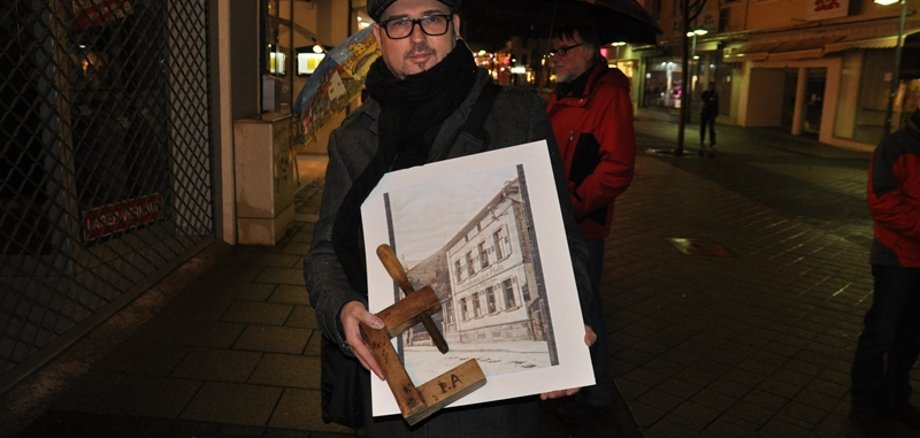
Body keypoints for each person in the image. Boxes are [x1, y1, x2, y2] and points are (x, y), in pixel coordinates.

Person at [302, 0, 597, 436]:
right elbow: (325, 251)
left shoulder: (515, 115)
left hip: (498, 401)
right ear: (379, 36)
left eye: (432, 19)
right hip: (396, 390)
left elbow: (562, 236)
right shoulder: (354, 138)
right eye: (400, 23)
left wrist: (573, 320)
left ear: (455, 26)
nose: (418, 36)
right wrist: (342, 308)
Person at [545, 23, 636, 424]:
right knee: (569, 306)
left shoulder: (607, 95)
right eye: (554, 50)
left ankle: (596, 395)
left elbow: (618, 168)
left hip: (581, 225)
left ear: (589, 51)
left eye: (564, 50)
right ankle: (573, 383)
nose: (556, 58)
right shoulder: (565, 91)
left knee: (586, 307)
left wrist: (575, 203)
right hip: (558, 218)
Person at [849, 99, 920, 436]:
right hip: (895, 258)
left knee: (912, 336)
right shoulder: (895, 146)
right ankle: (864, 405)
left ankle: (894, 399)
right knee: (881, 333)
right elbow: (884, 203)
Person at [699, 81, 718, 157]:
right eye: (710, 86)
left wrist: (715, 113)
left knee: (711, 128)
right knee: (703, 127)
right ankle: (702, 140)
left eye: (712, 86)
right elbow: (705, 100)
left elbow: (715, 103)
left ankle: (712, 141)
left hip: (711, 113)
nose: (711, 87)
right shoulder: (705, 93)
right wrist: (710, 99)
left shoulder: (715, 94)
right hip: (705, 112)